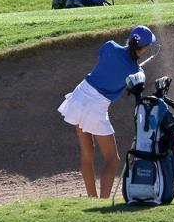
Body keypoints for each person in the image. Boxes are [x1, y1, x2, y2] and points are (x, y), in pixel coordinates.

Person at [57, 25, 160, 198]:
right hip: (95, 106)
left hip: (80, 95)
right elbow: (134, 87)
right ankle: (102, 201)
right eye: (148, 45)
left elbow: (108, 63)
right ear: (144, 47)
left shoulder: (110, 45)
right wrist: (133, 72)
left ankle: (91, 199)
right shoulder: (137, 71)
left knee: (87, 151)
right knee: (113, 159)